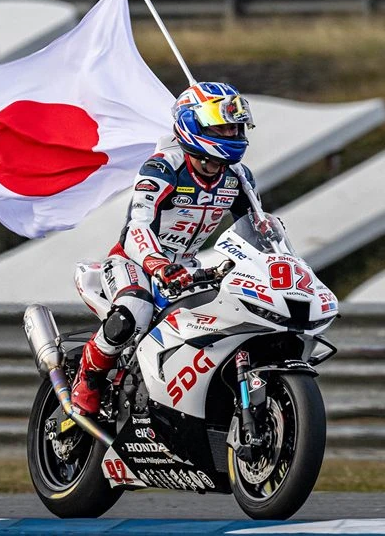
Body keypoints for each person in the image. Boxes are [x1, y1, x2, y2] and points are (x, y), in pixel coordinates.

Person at [71, 81, 259, 415]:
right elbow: (137, 226)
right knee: (134, 311)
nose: (231, 134)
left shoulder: (238, 177)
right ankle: (87, 380)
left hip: (189, 266)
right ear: (192, 125)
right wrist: (156, 263)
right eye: (221, 127)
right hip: (134, 262)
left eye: (234, 127)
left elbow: (258, 227)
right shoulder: (163, 167)